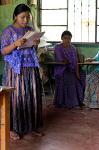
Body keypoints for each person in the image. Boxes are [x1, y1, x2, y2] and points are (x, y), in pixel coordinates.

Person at [0, 4, 43, 140]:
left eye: (28, 17)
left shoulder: (30, 30)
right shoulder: (8, 31)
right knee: (17, 98)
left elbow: (31, 49)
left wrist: (35, 43)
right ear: (15, 16)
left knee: (31, 96)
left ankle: (30, 126)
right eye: (22, 17)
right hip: (15, 70)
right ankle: (11, 128)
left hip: (30, 67)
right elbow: (3, 51)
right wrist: (15, 44)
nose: (26, 20)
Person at [53, 30, 85, 108]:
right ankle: (73, 103)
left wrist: (77, 72)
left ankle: (81, 100)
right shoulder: (57, 47)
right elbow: (62, 60)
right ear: (62, 38)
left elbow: (76, 61)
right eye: (65, 38)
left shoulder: (73, 48)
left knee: (82, 76)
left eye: (69, 39)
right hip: (62, 69)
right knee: (70, 78)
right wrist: (68, 62)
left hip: (72, 68)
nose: (67, 40)